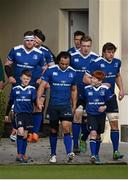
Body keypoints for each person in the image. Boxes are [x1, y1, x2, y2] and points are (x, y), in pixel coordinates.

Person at [83, 42, 124, 160]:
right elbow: (85, 78)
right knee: (97, 130)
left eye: (112, 52)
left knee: (114, 124)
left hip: (110, 98)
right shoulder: (96, 62)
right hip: (97, 100)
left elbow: (117, 76)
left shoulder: (117, 62)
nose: (111, 54)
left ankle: (116, 151)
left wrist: (121, 90)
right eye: (108, 52)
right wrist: (97, 83)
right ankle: (94, 153)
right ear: (104, 52)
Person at [4, 31, 46, 142]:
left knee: (37, 106)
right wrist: (10, 76)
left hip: (33, 85)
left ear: (35, 41)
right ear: (24, 40)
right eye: (27, 40)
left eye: (32, 40)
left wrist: (41, 78)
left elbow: (45, 68)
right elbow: (7, 64)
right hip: (18, 83)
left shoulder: (39, 53)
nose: (29, 42)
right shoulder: (16, 50)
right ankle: (15, 129)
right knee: (15, 107)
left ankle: (34, 133)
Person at [37, 51, 77, 163]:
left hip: (66, 106)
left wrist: (74, 105)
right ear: (58, 61)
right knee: (54, 130)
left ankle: (69, 152)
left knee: (66, 128)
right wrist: (38, 100)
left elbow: (74, 90)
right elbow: (42, 85)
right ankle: (53, 154)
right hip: (53, 106)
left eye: (66, 64)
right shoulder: (50, 70)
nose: (64, 66)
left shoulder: (72, 72)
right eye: (62, 63)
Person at [70, 35, 99, 154]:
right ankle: (75, 144)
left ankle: (83, 138)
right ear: (79, 45)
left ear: (91, 46)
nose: (86, 48)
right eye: (83, 46)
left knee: (90, 120)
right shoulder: (72, 57)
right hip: (77, 93)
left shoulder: (96, 58)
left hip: (91, 95)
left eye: (88, 46)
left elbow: (100, 75)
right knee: (77, 115)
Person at [26, 29, 55, 143]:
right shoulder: (26, 50)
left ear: (42, 42)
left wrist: (44, 78)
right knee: (27, 107)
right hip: (27, 83)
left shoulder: (46, 52)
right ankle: (27, 132)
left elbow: (52, 67)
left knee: (39, 106)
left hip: (40, 83)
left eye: (38, 42)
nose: (36, 43)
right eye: (35, 41)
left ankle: (35, 133)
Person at [84, 70, 113, 164]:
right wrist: (82, 108)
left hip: (101, 115)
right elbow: (82, 100)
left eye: (95, 78)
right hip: (91, 114)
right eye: (92, 78)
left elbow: (110, 102)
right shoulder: (87, 89)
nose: (92, 80)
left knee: (98, 135)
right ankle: (92, 155)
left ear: (100, 81)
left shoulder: (105, 89)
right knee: (93, 133)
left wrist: (104, 106)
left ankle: (96, 154)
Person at [8, 69, 37, 163]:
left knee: (24, 135)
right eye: (24, 78)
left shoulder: (32, 89)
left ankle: (23, 155)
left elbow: (35, 102)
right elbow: (10, 102)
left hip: (28, 114)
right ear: (20, 78)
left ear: (30, 79)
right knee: (20, 132)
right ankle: (19, 155)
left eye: (27, 79)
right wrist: (6, 114)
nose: (25, 80)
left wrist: (39, 104)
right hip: (18, 113)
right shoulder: (15, 89)